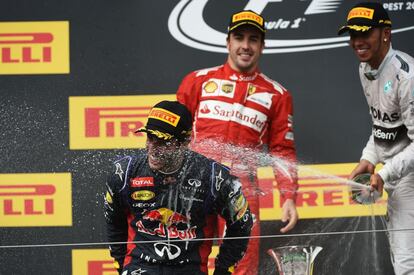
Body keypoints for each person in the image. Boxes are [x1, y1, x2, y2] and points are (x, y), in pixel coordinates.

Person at [176, 10, 299, 274]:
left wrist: (289, 196)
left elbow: (281, 150)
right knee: (186, 258)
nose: (245, 45)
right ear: (228, 42)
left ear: (262, 46)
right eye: (239, 37)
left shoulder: (277, 94)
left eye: (253, 39)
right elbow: (174, 137)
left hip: (242, 186)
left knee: (242, 263)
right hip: (195, 183)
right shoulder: (197, 81)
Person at [104, 100, 253, 275]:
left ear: (184, 142)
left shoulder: (214, 177)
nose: (152, 148)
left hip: (190, 269)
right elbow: (113, 220)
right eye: (150, 138)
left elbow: (242, 223)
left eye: (162, 142)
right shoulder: (125, 172)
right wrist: (122, 266)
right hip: (140, 268)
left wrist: (222, 270)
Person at [338, 2, 414, 274]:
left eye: (365, 33)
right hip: (396, 175)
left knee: (407, 264)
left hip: (409, 177)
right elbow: (383, 125)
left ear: (386, 34)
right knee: (402, 259)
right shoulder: (366, 69)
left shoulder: (407, 75)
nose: (357, 41)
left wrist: (385, 173)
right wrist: (368, 159)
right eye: (353, 35)